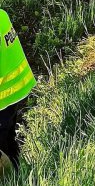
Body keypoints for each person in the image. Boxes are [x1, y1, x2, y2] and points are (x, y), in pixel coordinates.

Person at [0, 9, 36, 175]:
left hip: (3, 100)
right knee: (9, 139)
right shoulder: (2, 15)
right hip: (15, 92)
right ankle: (20, 173)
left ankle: (11, 177)